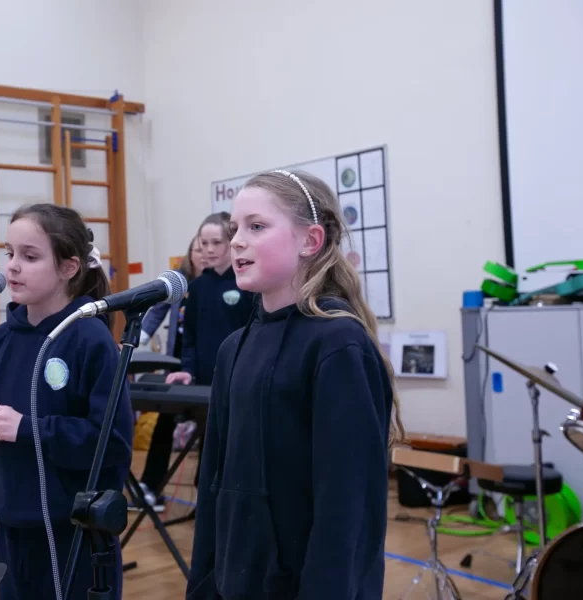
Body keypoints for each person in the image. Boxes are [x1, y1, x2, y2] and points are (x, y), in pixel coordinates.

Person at [185, 170, 405, 600]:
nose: (236, 242)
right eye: (234, 229)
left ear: (310, 240)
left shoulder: (338, 345)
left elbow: (347, 508)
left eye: (257, 227)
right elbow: (214, 488)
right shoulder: (234, 348)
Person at [0, 203, 134, 600]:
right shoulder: (0, 342)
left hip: (72, 531)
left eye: (30, 256)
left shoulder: (90, 340)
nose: (13, 267)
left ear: (69, 267)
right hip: (11, 524)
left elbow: (110, 444)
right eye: (9, 254)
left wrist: (25, 428)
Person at [167, 212, 256, 491]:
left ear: (231, 242)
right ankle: (206, 499)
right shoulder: (198, 287)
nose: (208, 250)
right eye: (203, 243)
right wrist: (188, 370)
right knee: (210, 446)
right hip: (206, 383)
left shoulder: (248, 283)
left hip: (241, 381)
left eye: (216, 242)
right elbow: (190, 336)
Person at [134, 236, 207, 510]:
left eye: (208, 248)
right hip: (177, 366)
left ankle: (205, 490)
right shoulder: (181, 281)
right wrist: (138, 338)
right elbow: (156, 312)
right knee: (165, 421)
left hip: (206, 367)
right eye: (197, 248)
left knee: (208, 427)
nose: (202, 254)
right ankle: (151, 486)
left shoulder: (220, 284)